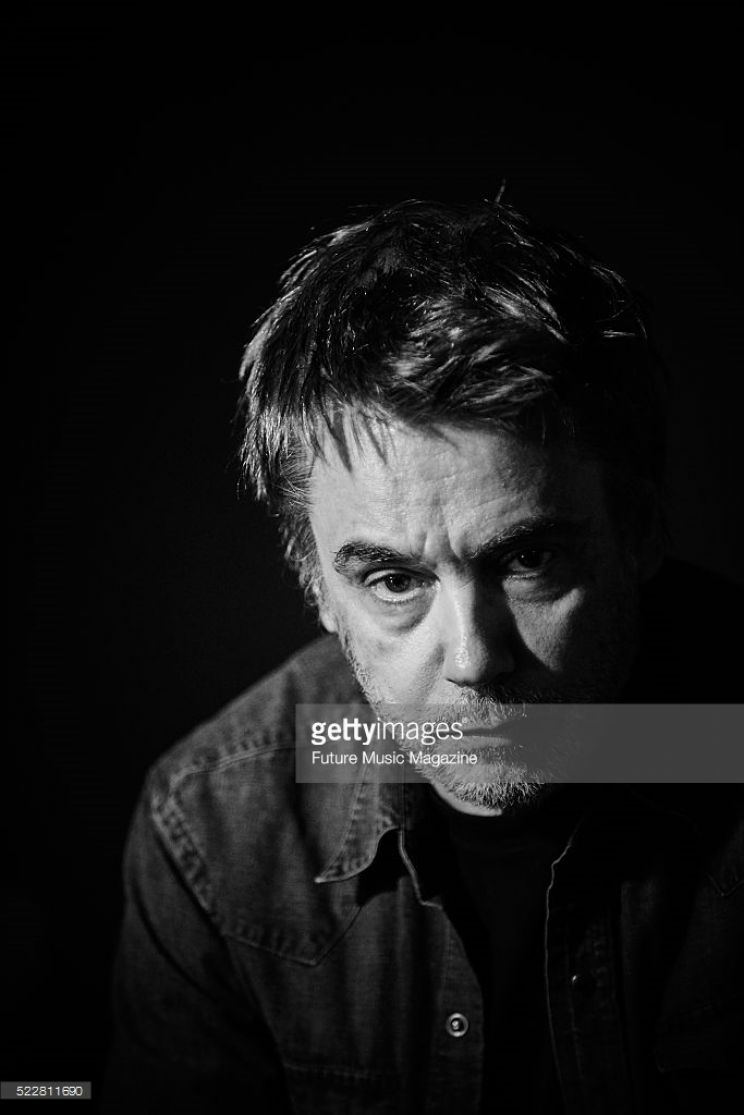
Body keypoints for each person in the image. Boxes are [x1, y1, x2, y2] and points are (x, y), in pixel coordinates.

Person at [104, 200, 743, 1113]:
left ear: (638, 530)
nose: (474, 660)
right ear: (318, 587)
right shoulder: (215, 830)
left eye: (527, 559)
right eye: (395, 580)